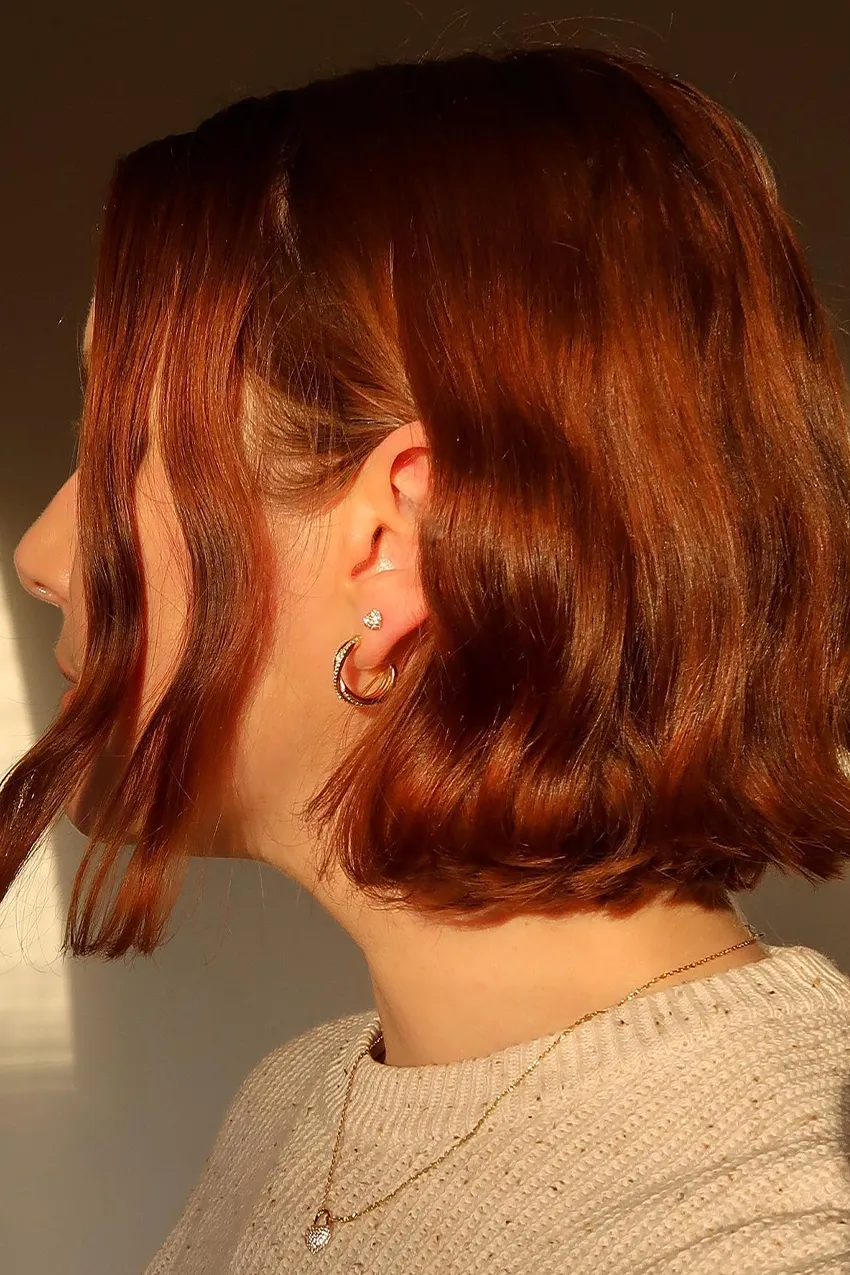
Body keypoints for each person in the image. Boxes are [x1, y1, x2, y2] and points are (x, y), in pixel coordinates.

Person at [5, 40, 850, 1274]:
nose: (39, 551)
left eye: (121, 442)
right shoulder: (295, 1107)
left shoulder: (763, 1238)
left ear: (393, 544)